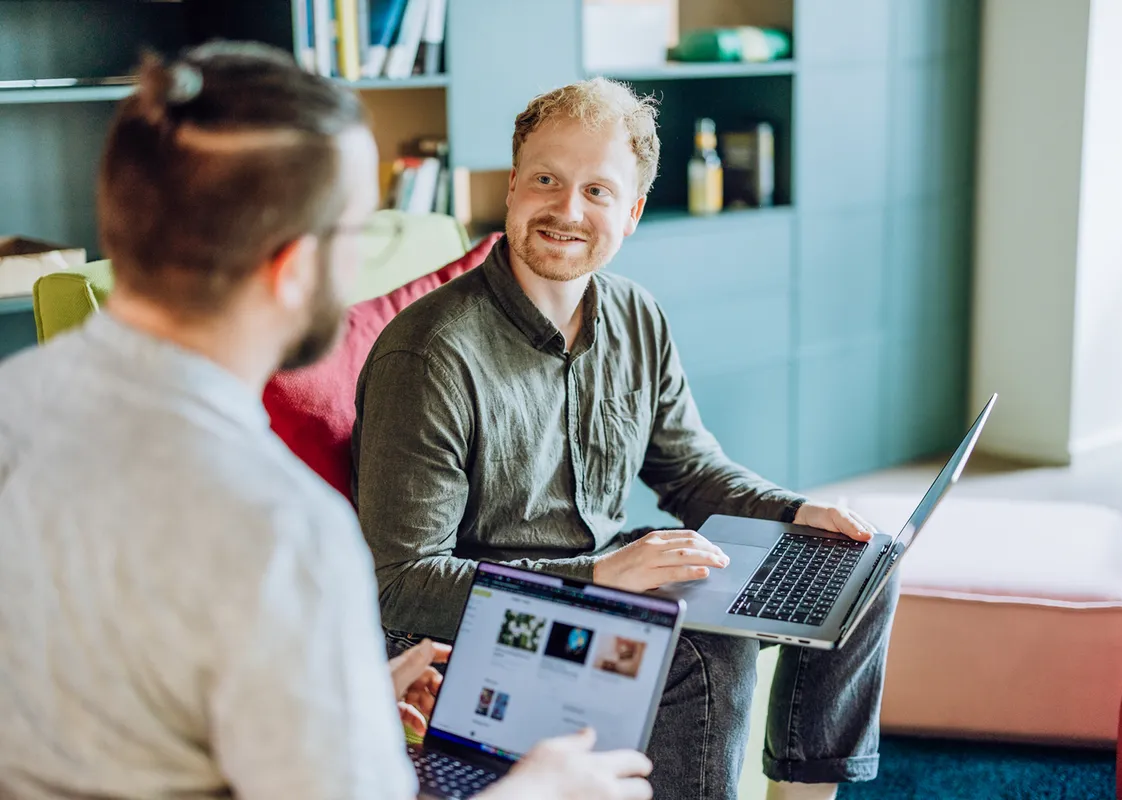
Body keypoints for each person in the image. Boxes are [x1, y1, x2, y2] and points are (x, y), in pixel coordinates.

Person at [0, 44, 651, 800]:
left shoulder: (17, 405)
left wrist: (351, 692)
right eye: (354, 233)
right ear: (294, 268)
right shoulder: (284, 531)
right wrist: (541, 789)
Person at [352, 78, 900, 800]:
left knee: (859, 564)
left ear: (633, 210)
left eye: (598, 191)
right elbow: (400, 587)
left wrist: (797, 516)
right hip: (484, 628)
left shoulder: (636, 316)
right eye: (546, 179)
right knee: (707, 652)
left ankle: (801, 794)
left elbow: (691, 472)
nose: (566, 210)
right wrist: (599, 582)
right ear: (513, 186)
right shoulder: (430, 355)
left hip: (606, 580)